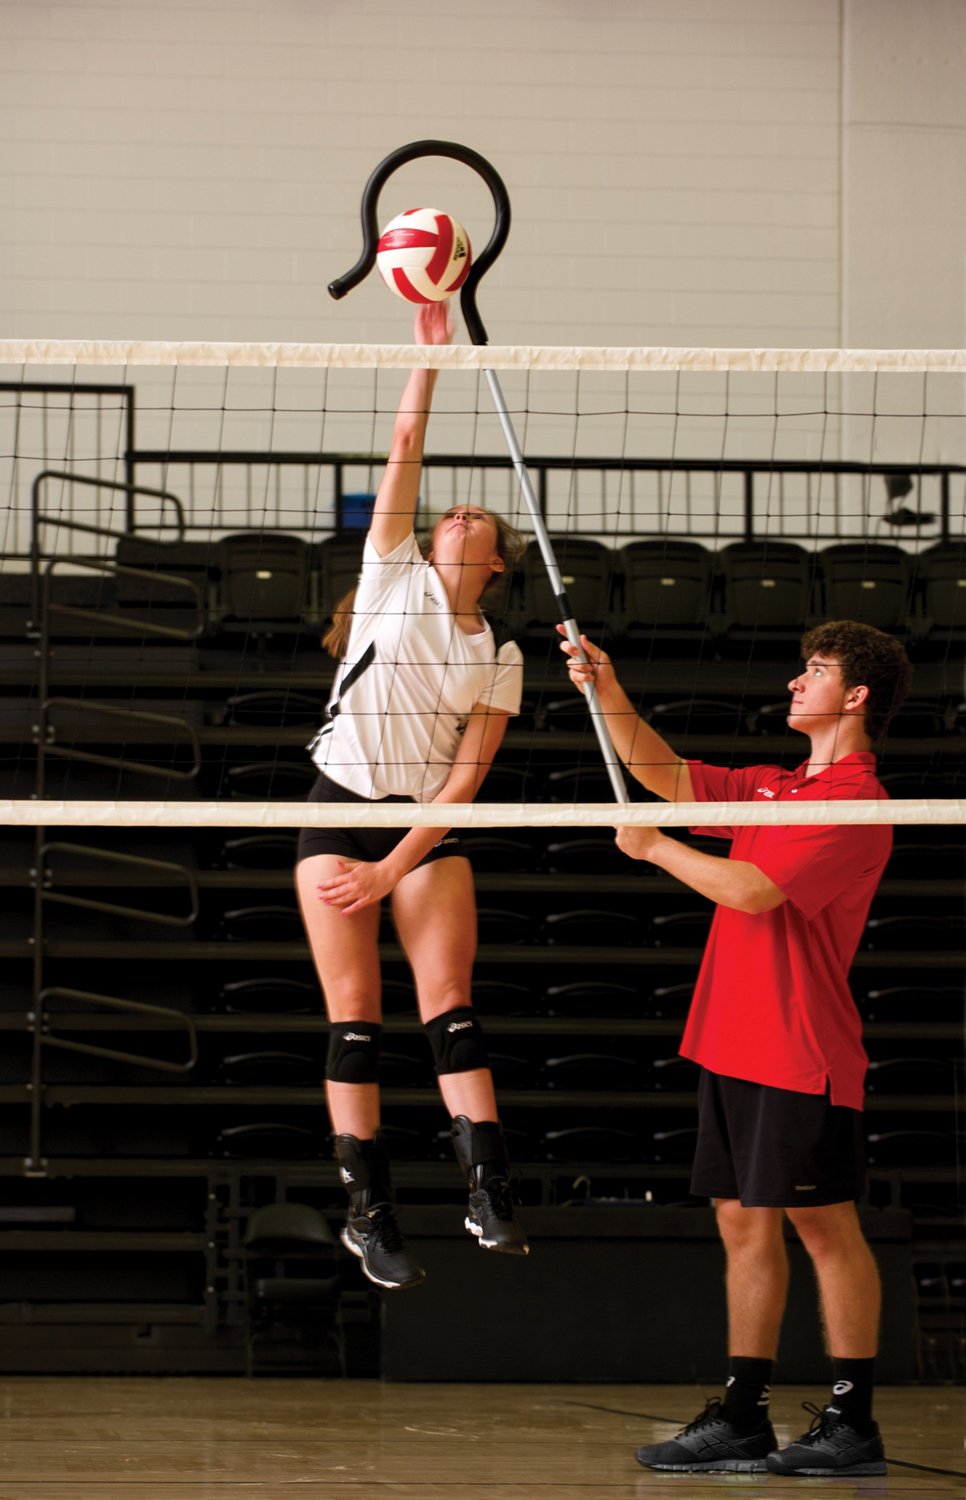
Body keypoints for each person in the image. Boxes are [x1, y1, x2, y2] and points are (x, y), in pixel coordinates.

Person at [559, 618, 911, 1477]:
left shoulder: (855, 802)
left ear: (856, 696)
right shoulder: (775, 787)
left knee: (823, 1227)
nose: (796, 683)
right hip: (731, 1042)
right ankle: (743, 1416)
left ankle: (851, 1420)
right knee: (741, 1223)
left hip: (801, 1048)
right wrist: (604, 688)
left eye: (815, 671)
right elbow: (666, 773)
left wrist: (656, 849)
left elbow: (754, 892)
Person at [296, 302, 529, 1293]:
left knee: (452, 1013)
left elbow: (465, 782)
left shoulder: (498, 656)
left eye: (478, 517)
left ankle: (487, 1192)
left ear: (497, 562)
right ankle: (370, 1213)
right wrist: (428, 351)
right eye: (450, 511)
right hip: (338, 803)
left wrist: (396, 863)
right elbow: (404, 439)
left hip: (419, 831)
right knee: (355, 1018)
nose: (459, 512)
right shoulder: (392, 573)